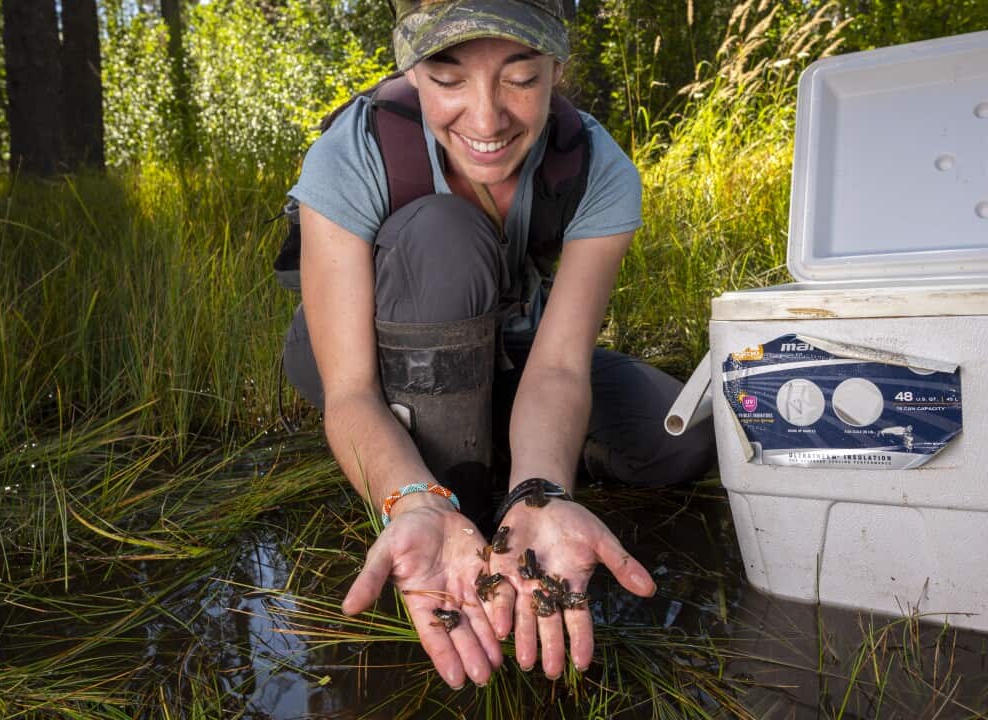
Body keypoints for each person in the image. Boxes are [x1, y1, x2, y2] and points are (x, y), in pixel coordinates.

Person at [279, 0, 715, 690]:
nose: (486, 121)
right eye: (448, 79)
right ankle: (457, 502)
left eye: (520, 78)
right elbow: (351, 390)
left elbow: (562, 365)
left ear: (556, 69)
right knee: (444, 235)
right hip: (366, 361)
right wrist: (414, 498)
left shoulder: (599, 167)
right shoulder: (355, 152)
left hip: (510, 353)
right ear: (412, 70)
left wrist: (541, 488)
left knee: (684, 437)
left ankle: (514, 478)